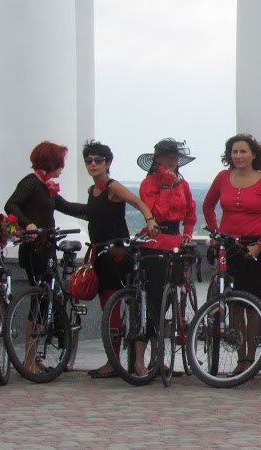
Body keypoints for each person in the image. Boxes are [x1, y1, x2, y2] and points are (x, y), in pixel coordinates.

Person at [5, 141, 87, 375]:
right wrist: (28, 223)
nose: (62, 168)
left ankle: (33, 357)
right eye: (60, 164)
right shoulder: (31, 182)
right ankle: (29, 359)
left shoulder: (46, 185)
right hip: (34, 249)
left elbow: (67, 207)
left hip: (47, 247)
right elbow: (11, 204)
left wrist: (96, 209)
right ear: (50, 163)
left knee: (45, 299)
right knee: (38, 300)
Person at [203, 134, 261, 375]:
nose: (238, 156)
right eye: (235, 152)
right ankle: (240, 357)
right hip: (229, 245)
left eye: (243, 151)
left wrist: (260, 244)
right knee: (234, 302)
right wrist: (215, 232)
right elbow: (208, 205)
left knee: (253, 301)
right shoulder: (222, 177)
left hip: (255, 246)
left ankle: (251, 357)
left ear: (253, 154)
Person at [82, 140, 156, 379]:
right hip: (100, 252)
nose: (93, 164)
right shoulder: (93, 191)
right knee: (107, 307)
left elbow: (137, 202)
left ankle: (118, 361)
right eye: (89, 160)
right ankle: (113, 359)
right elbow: (90, 214)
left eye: (98, 160)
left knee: (113, 305)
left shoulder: (112, 187)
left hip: (117, 253)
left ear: (108, 163)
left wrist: (150, 220)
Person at [136, 138, 197, 377]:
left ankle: (158, 358)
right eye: (167, 156)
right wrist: (165, 186)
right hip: (154, 242)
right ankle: (141, 359)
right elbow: (156, 213)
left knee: (168, 302)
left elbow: (190, 214)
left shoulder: (184, 184)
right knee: (152, 301)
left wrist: (188, 235)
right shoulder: (149, 183)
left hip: (175, 242)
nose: (172, 161)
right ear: (158, 159)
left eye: (175, 157)